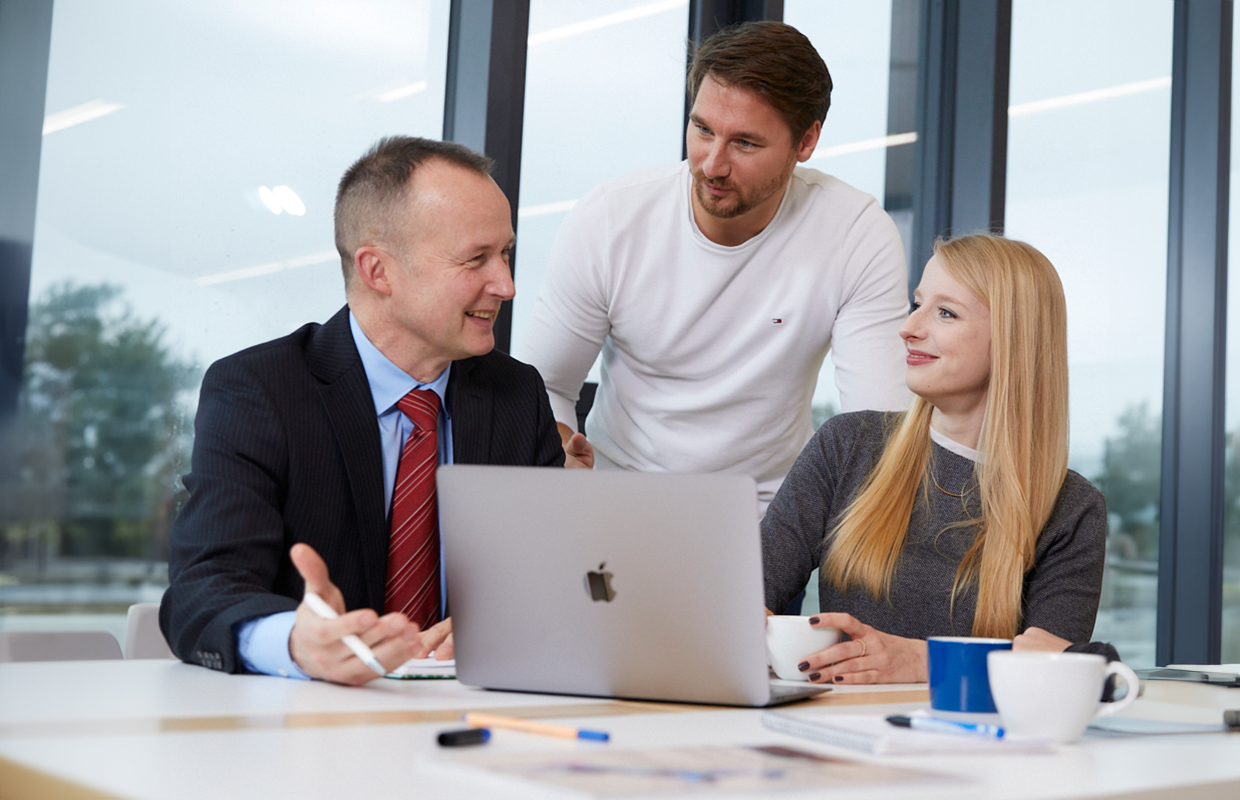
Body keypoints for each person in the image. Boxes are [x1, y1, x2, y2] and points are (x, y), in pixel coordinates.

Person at [160, 137, 565, 685]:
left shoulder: (516, 396)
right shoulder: (260, 390)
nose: (507, 284)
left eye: (507, 254)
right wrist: (295, 643)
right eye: (477, 259)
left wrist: (502, 623)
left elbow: (555, 583)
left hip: (477, 716)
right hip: (308, 734)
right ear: (377, 271)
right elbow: (200, 591)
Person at [522, 21, 911, 511]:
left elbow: (876, 430)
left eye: (745, 143)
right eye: (703, 129)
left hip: (762, 517)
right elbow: (545, 386)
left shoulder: (855, 233)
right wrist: (558, 450)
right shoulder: (611, 218)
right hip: (613, 497)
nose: (712, 164)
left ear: (806, 141)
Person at [762, 233, 1107, 684]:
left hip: (976, 745)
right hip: (840, 732)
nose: (909, 328)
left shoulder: (1072, 508)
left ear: (1011, 340)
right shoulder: (848, 445)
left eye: (945, 313)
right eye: (917, 303)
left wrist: (923, 663)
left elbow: (1054, 671)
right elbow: (749, 595)